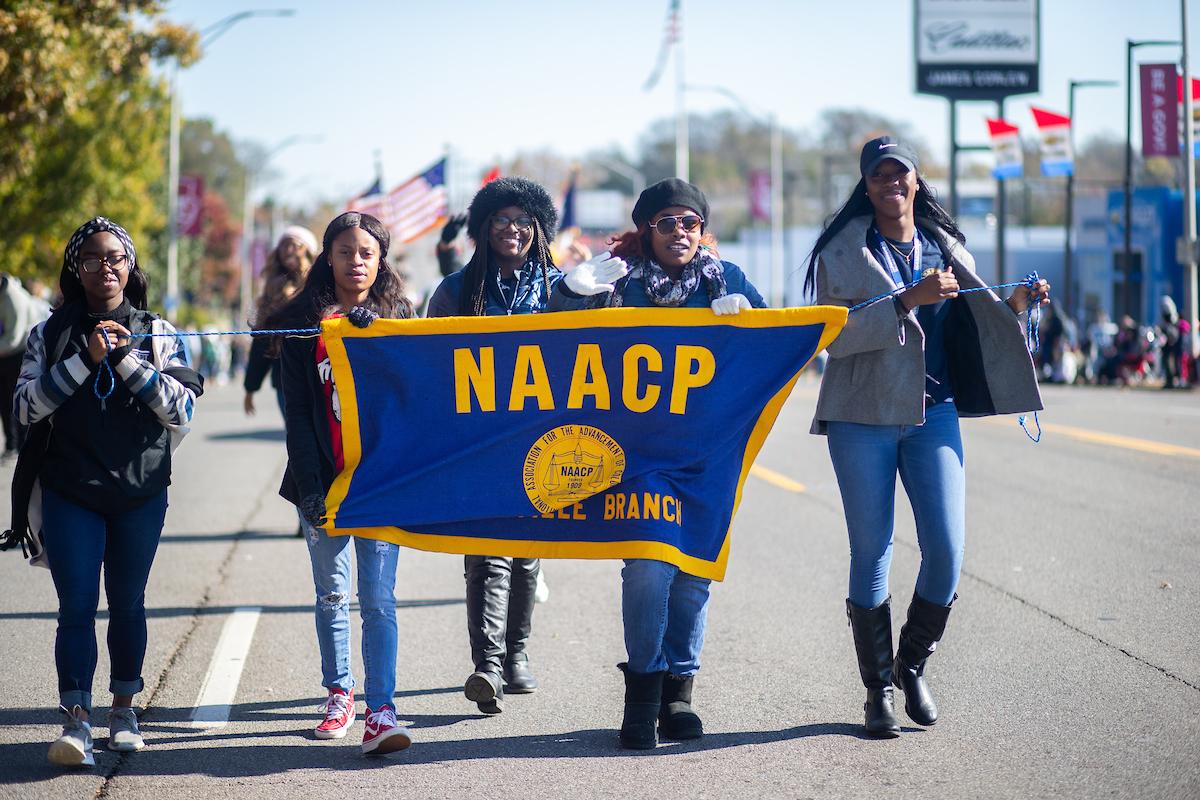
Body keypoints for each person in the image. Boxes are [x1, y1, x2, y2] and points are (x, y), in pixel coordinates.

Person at [803, 137, 1048, 738]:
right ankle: (877, 689)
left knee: (947, 552)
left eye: (900, 174)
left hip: (933, 414)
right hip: (862, 416)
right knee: (874, 551)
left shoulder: (945, 245)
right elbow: (831, 336)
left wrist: (1014, 303)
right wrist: (906, 300)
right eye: (879, 176)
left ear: (916, 183)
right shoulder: (842, 250)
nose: (891, 183)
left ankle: (911, 662)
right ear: (867, 186)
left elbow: (970, 309)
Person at [550, 177, 766, 749]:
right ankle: (641, 694)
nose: (679, 232)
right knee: (648, 568)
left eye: (689, 222)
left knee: (693, 574)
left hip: (707, 452)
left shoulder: (730, 279)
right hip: (635, 454)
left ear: (703, 230)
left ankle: (679, 692)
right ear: (646, 230)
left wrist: (751, 321)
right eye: (665, 222)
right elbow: (546, 341)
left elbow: (776, 348)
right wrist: (570, 293)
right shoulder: (614, 279)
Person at [12, 217, 202, 766]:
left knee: (128, 605)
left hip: (140, 492)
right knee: (75, 606)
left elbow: (181, 408)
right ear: (77, 268)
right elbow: (24, 409)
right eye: (92, 259)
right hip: (70, 488)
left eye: (115, 258)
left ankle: (123, 711)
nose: (105, 268)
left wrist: (123, 360)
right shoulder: (48, 334)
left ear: (130, 265)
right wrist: (83, 361)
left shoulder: (157, 330)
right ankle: (76, 722)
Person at [268, 211, 415, 755]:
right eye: (345, 251)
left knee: (378, 598)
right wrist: (311, 490)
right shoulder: (304, 323)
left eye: (367, 253)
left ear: (381, 261)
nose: (356, 262)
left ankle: (382, 709)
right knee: (332, 592)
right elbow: (300, 417)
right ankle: (340, 694)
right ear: (327, 257)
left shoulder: (401, 316)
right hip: (323, 480)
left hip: (382, 483)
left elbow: (416, 403)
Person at [426, 177, 562, 715]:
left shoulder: (559, 287)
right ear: (483, 228)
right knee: (486, 551)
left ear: (539, 229)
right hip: (477, 441)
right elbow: (430, 367)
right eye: (502, 220)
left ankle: (516, 655)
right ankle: (486, 664)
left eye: (524, 221)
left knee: (526, 550)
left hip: (540, 438)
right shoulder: (457, 291)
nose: (514, 229)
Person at [244, 226, 319, 416]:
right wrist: (250, 388)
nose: (289, 250)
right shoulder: (272, 290)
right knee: (297, 437)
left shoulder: (320, 285)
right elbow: (262, 342)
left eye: (295, 245)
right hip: (285, 379)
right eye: (284, 245)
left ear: (308, 251)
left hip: (319, 375)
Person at [0, 273, 50, 454]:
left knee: (17, 401)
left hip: (19, 354)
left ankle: (23, 445)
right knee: (4, 402)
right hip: (3, 354)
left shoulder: (14, 299)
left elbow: (13, 338)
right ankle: (11, 444)